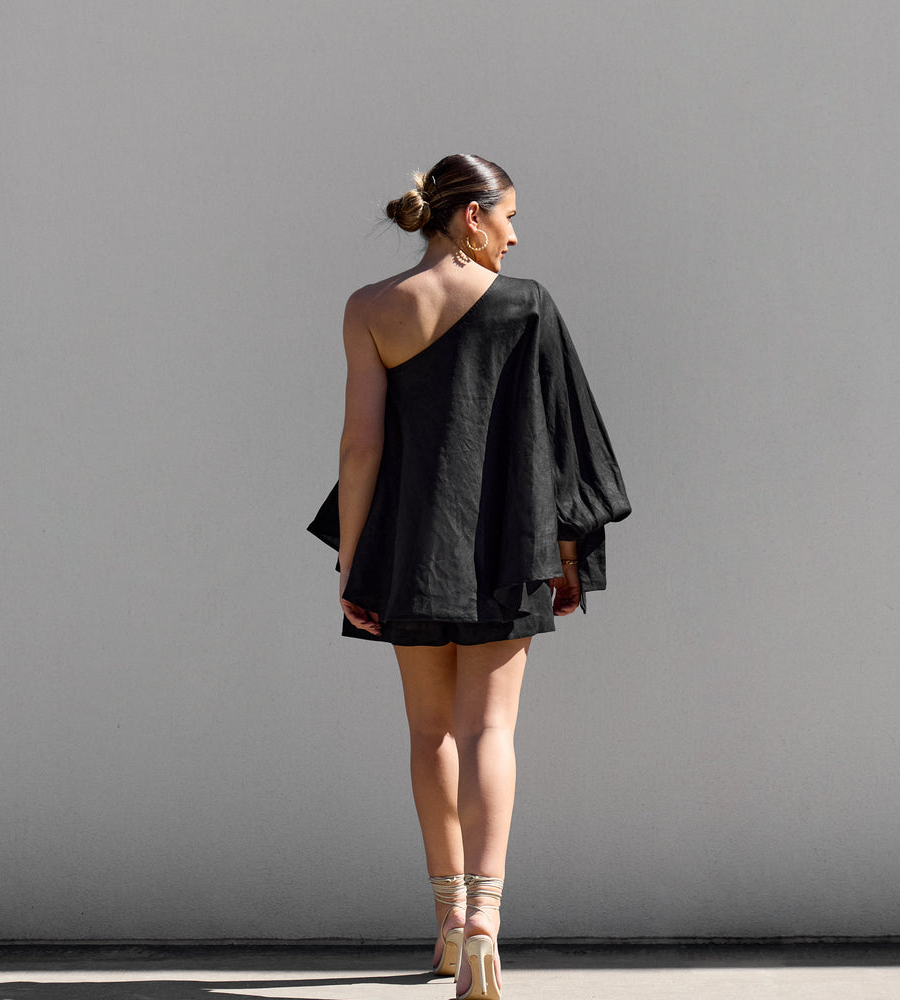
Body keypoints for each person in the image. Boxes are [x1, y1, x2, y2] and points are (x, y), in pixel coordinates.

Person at [308, 154, 630, 1000]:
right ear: (471, 218)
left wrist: (353, 558)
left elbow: (360, 446)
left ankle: (448, 922)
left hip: (414, 547)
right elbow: (564, 440)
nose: (516, 235)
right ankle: (487, 922)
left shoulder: (371, 308)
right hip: (506, 547)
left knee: (428, 735)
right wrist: (566, 556)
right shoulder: (527, 306)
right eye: (510, 217)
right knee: (492, 733)